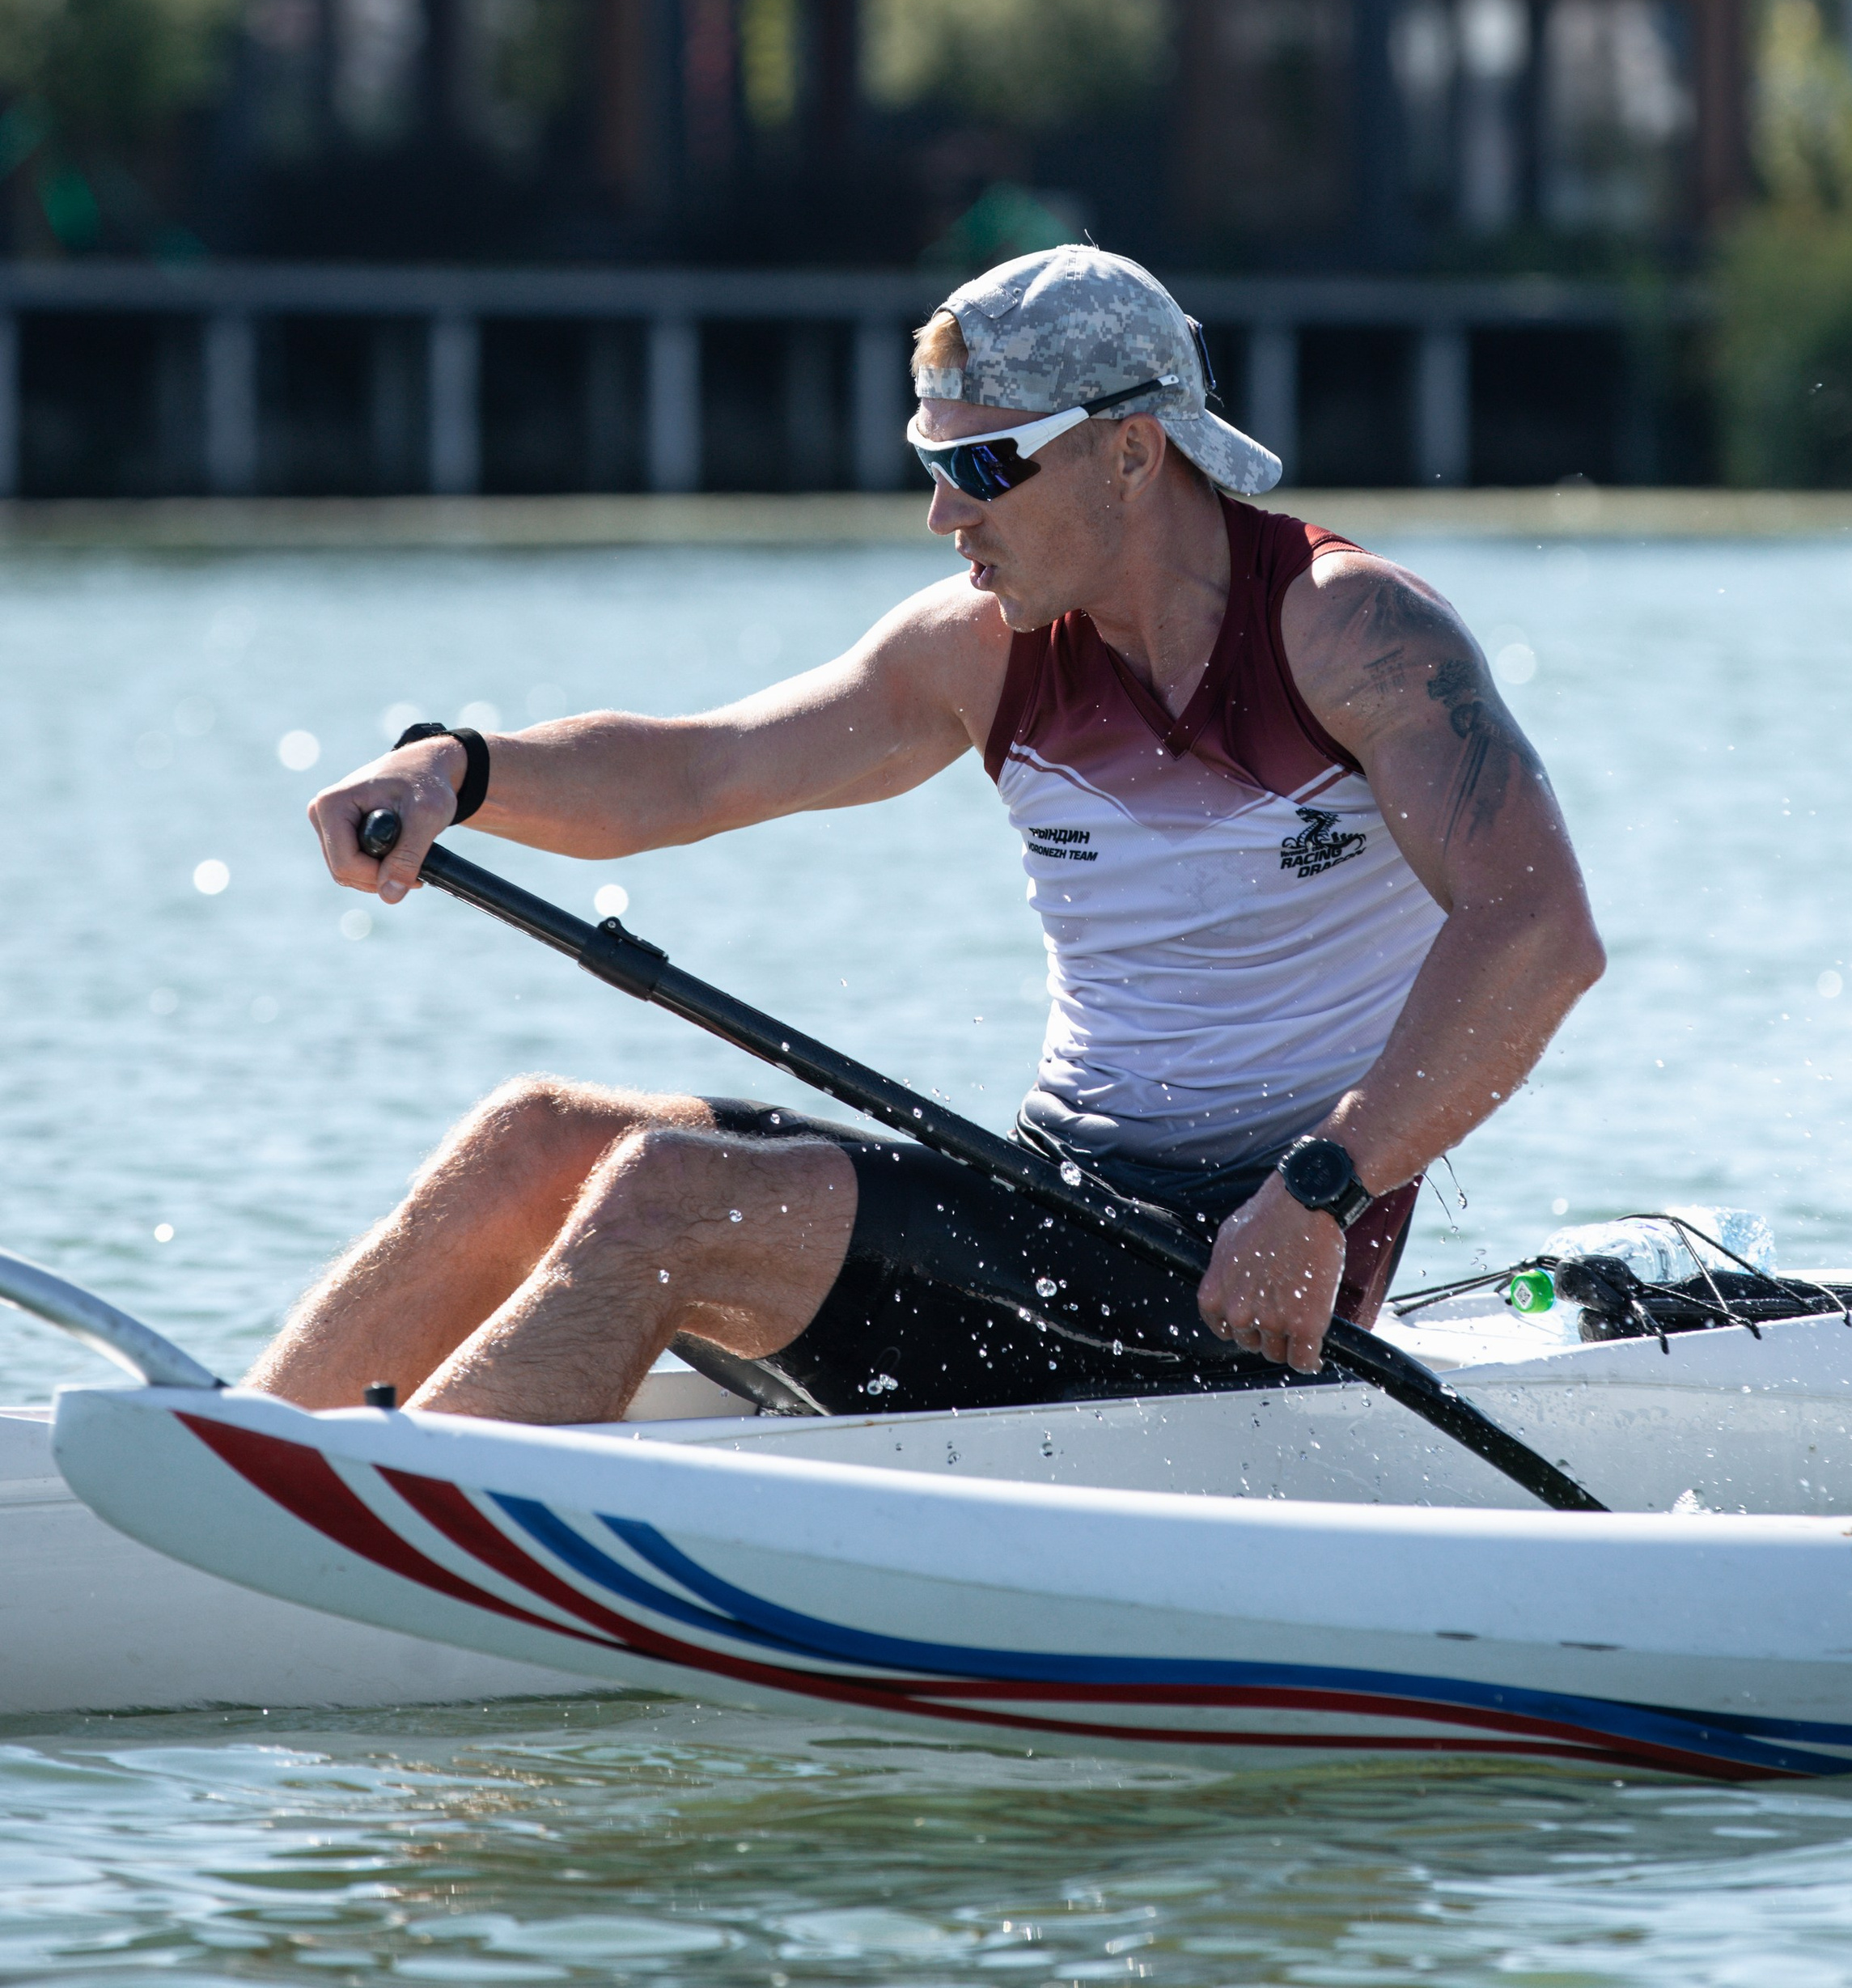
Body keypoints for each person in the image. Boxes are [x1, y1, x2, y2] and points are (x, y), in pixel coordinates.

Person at [262, 247, 1604, 1426]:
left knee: (668, 1197)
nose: (943, 514)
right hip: (1056, 1215)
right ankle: (237, 1472)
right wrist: (461, 768)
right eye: (930, 466)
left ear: (1131, 453)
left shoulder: (1351, 633)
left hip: (1248, 1272)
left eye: (978, 467)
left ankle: (391, 1550)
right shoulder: (981, 653)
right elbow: (697, 769)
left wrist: (1322, 1190)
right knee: (535, 1135)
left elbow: (1537, 933)